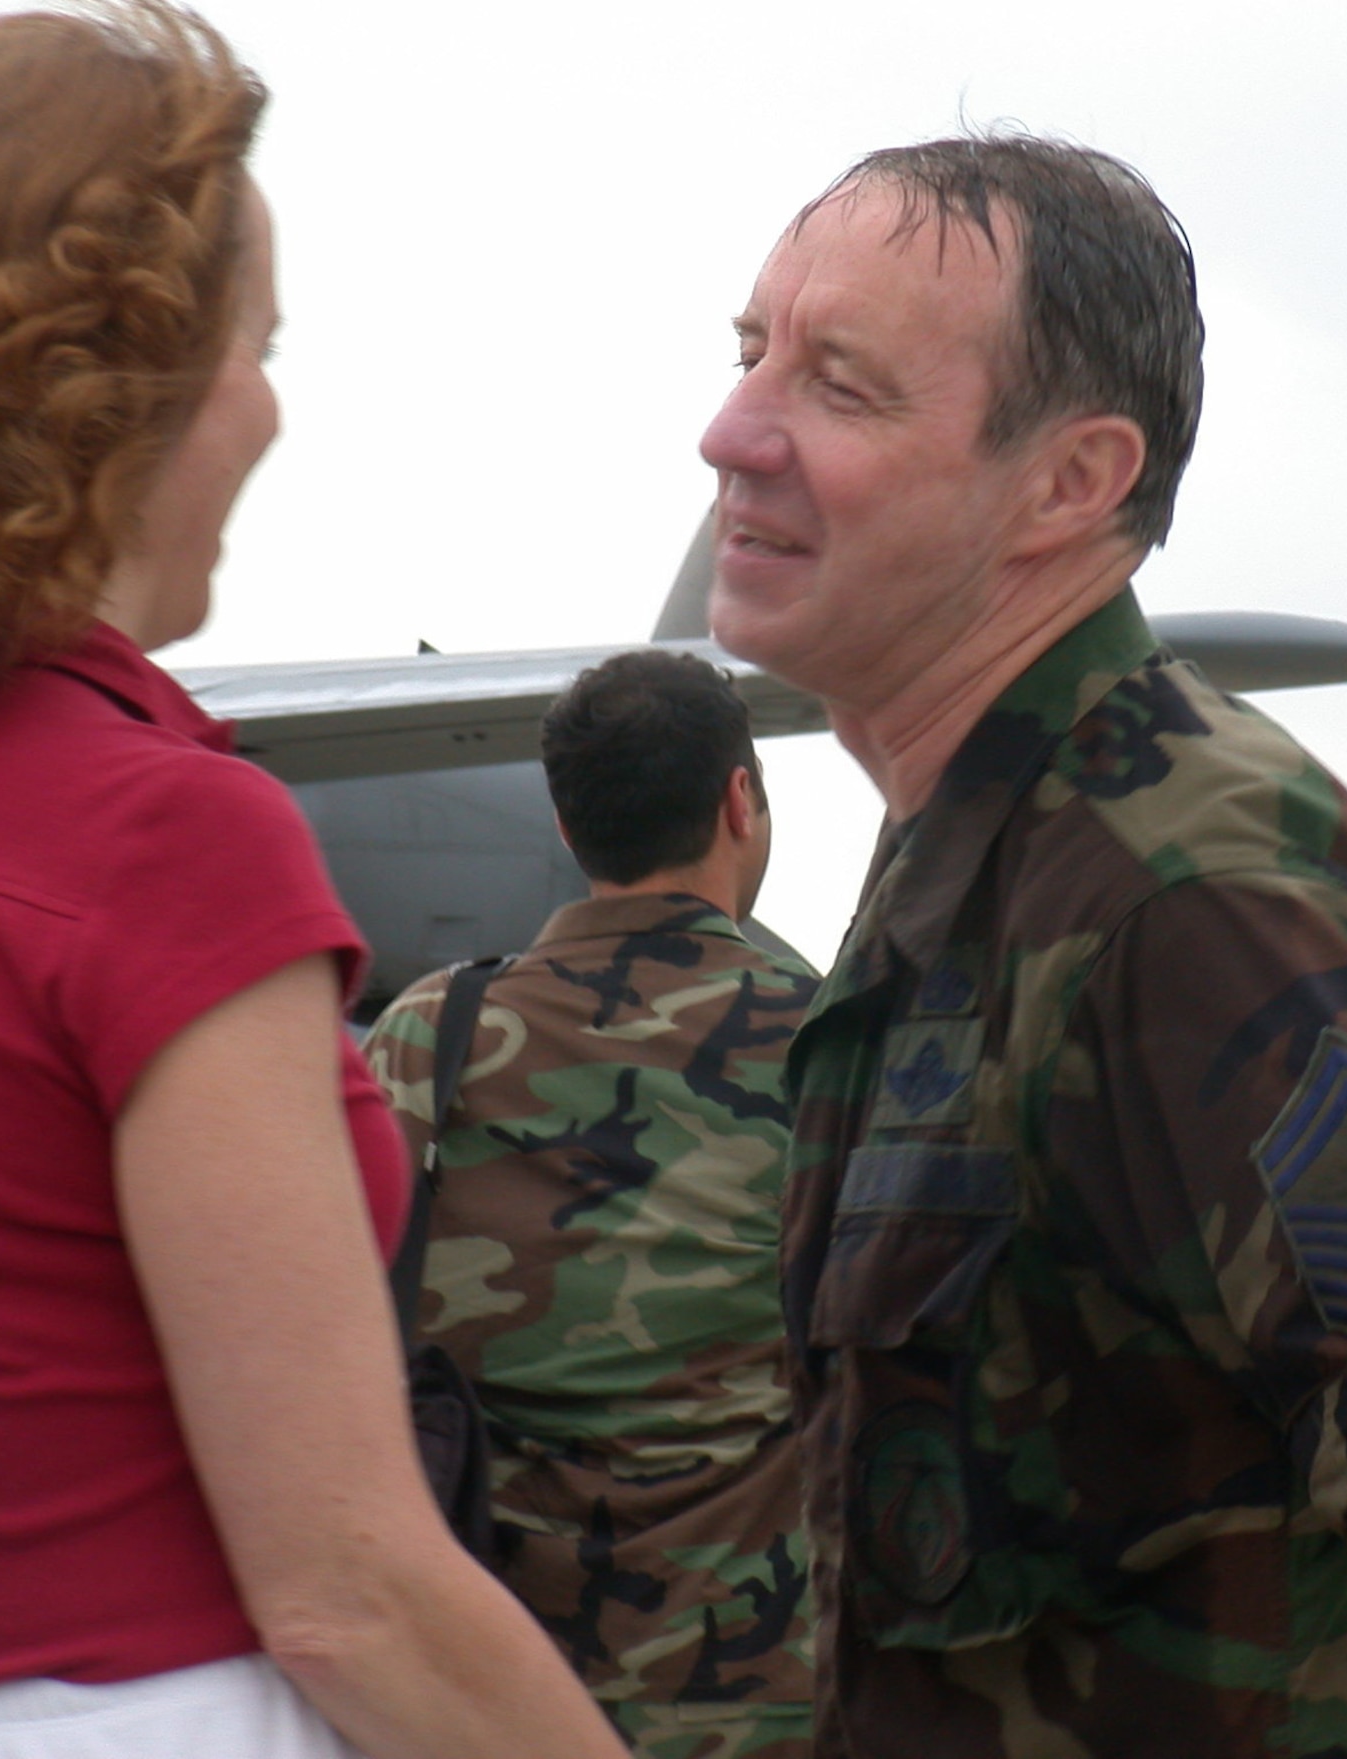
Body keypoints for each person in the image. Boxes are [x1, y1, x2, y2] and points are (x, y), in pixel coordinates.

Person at [0, 9, 626, 1758]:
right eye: (256, 343)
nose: (269, 398)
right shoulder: (159, 835)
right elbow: (350, 1591)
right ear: (129, 387)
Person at [697, 134, 1347, 1759]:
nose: (732, 432)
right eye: (749, 353)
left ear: (1070, 482)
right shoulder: (983, 850)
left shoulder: (1193, 903)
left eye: (840, 384)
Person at [366, 650, 818, 1759]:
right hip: (758, 1691)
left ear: (568, 828)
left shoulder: (431, 1033)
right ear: (739, 801)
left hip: (492, 1694)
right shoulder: (827, 1041)